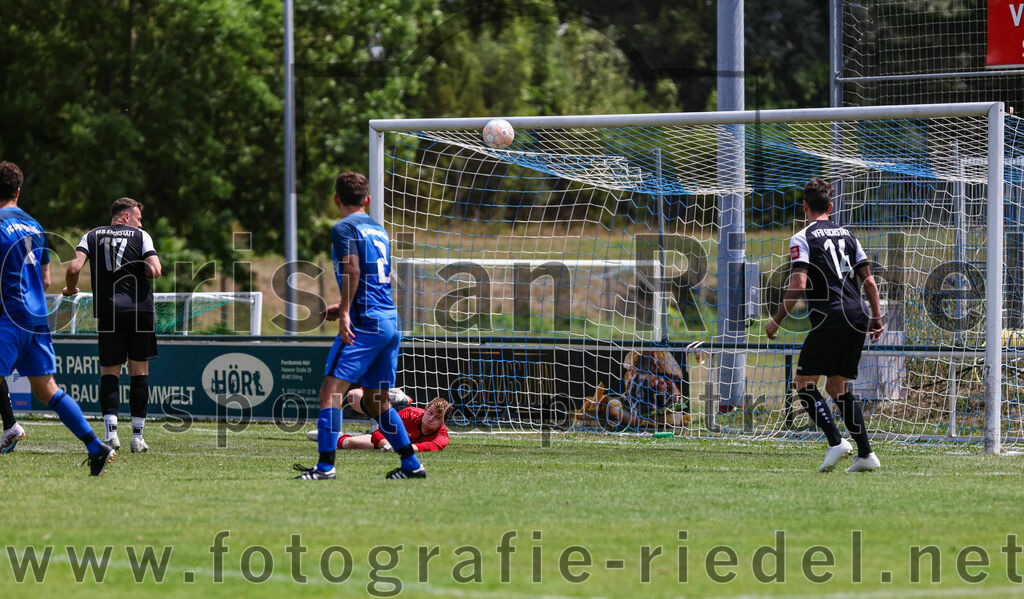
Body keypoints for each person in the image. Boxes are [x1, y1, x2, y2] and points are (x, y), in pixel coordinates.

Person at [293, 171, 425, 480]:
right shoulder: (379, 230)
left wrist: (347, 312)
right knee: (375, 401)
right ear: (367, 200)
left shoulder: (344, 228)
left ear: (336, 199)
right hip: (388, 320)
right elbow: (373, 277)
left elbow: (352, 270)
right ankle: (411, 464)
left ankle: (325, 467)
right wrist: (345, 305)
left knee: (330, 393)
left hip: (364, 323)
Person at [0, 161, 116, 475]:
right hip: (36, 318)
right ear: (18, 191)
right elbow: (46, 280)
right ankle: (95, 446)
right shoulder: (35, 226)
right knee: (46, 388)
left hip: (8, 316)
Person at [766, 177, 884, 473]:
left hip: (831, 316)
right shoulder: (849, 235)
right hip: (857, 315)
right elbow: (869, 282)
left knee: (803, 384)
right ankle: (866, 454)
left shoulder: (802, 237)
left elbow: (798, 283)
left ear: (804, 206)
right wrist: (877, 317)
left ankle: (836, 442)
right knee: (836, 386)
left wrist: (776, 319)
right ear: (830, 207)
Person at [63, 197, 162, 453]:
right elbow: (155, 270)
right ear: (126, 216)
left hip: (109, 311)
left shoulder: (91, 235)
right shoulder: (142, 237)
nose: (140, 224)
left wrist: (70, 289)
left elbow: (73, 269)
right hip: (140, 310)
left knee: (110, 373)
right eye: (138, 219)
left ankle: (111, 435)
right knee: (139, 373)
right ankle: (137, 438)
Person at [576, 350, 689, 431]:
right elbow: (627, 397)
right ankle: (594, 413)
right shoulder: (634, 376)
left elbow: (676, 404)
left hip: (656, 412)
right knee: (610, 404)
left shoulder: (666, 378)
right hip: (637, 411)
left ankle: (644, 422)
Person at [307, 391, 452, 452]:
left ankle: (330, 436)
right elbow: (378, 433)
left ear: (444, 422)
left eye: (437, 418)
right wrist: (388, 446)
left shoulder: (442, 437)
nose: (431, 418)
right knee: (353, 395)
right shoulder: (409, 415)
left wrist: (399, 448)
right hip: (390, 410)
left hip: (398, 440)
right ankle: (393, 397)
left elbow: (425, 447)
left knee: (350, 443)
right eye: (430, 413)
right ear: (425, 409)